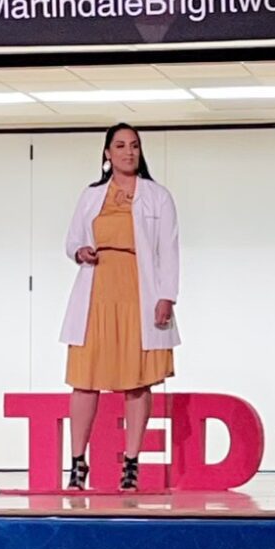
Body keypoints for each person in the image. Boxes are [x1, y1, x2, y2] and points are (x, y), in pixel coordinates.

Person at [60, 122, 181, 491]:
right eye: (120, 146)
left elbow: (169, 249)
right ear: (107, 154)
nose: (128, 152)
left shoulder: (157, 196)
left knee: (137, 382)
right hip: (97, 289)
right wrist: (79, 251)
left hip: (138, 291)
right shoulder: (91, 195)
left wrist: (166, 295)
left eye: (134, 146)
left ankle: (131, 462)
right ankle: (78, 463)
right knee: (85, 380)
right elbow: (73, 240)